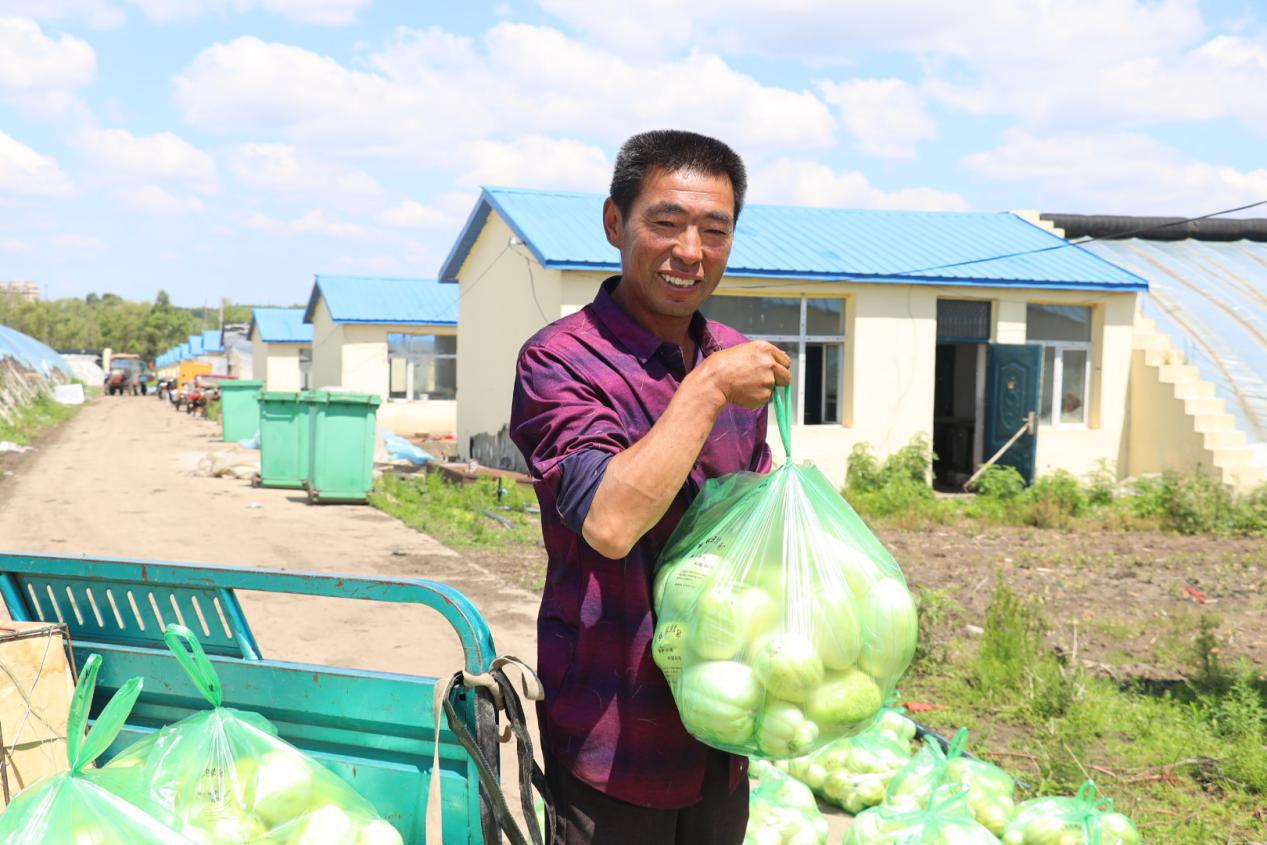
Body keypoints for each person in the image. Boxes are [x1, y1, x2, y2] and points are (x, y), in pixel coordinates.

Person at [510, 129, 792, 845]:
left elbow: (743, 531)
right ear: (615, 223)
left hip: (720, 725)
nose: (689, 251)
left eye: (713, 230)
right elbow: (608, 520)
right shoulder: (561, 361)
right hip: (614, 733)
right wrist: (705, 389)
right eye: (665, 223)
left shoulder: (732, 357)